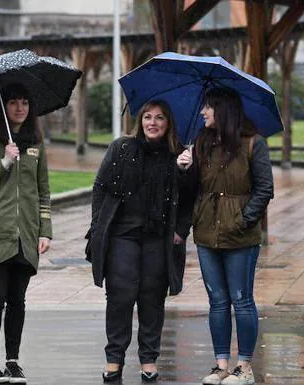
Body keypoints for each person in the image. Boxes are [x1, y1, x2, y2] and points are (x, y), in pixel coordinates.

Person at [86, 100, 193, 383]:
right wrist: (98, 226)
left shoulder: (179, 155)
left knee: (152, 298)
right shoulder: (121, 149)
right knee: (120, 296)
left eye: (159, 117)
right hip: (123, 235)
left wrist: (185, 172)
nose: (153, 122)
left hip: (158, 238)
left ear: (168, 123)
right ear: (140, 121)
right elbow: (100, 187)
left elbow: (189, 199)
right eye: (147, 117)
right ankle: (114, 358)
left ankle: (148, 358)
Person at [176, 87, 274, 385]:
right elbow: (193, 189)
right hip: (206, 232)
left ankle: (244, 367)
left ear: (223, 110)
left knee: (241, 299)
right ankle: (221, 365)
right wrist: (184, 168)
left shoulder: (253, 144)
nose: (203, 112)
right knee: (217, 300)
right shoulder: (202, 143)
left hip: (241, 237)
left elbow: (264, 189)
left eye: (208, 107)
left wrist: (243, 220)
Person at [0, 83, 52, 384]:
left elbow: (43, 192)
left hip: (26, 235)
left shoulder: (36, 143)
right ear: (3, 107)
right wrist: (3, 163)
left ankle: (13, 361)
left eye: (25, 102)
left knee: (18, 300)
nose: (20, 108)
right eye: (14, 102)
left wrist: (46, 232)